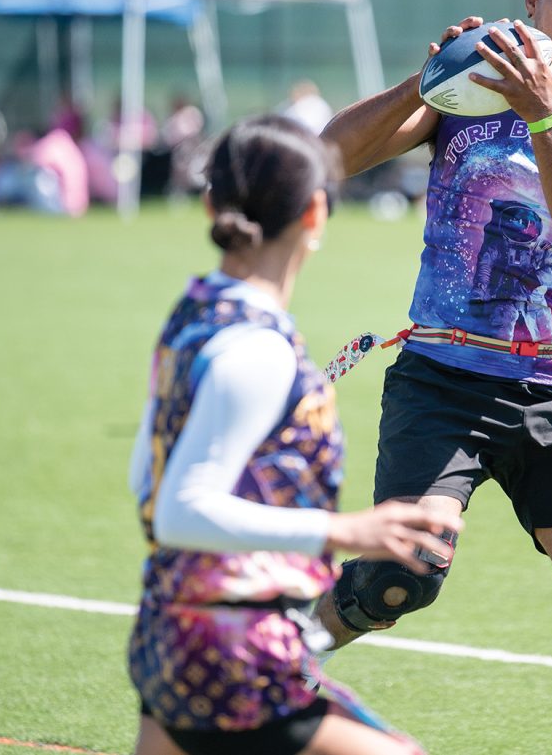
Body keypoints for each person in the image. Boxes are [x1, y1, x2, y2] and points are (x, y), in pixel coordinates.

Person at [311, 0, 552, 755]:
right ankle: (270, 653)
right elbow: (329, 154)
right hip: (446, 379)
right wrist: (435, 76)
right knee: (401, 575)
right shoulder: (463, 99)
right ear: (534, 1)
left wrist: (541, 111)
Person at [126, 115, 462, 755]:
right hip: (232, 656)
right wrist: (344, 532)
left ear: (211, 204)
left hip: (170, 633)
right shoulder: (258, 349)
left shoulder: (195, 312)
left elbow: (147, 476)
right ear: (315, 213)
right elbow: (181, 508)